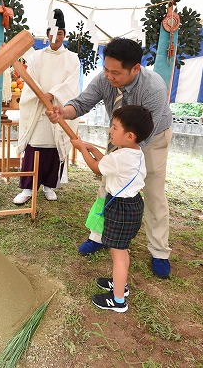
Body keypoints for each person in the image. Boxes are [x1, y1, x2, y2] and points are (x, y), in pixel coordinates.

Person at [46, 37, 174, 279]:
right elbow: (82, 103)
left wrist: (116, 161)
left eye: (115, 72)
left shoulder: (154, 88)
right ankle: (101, 236)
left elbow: (142, 139)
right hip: (120, 137)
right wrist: (64, 111)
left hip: (152, 137)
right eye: (106, 69)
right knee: (107, 187)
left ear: (136, 68)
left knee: (153, 192)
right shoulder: (105, 78)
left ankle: (159, 252)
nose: (109, 76)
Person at [71, 105, 152, 312]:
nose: (110, 131)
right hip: (132, 205)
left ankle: (118, 301)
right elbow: (106, 161)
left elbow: (98, 168)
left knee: (118, 254)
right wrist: (92, 148)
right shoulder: (135, 152)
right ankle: (120, 284)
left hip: (120, 208)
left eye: (115, 128)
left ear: (130, 135)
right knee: (122, 250)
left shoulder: (120, 158)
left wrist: (81, 149)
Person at [13, 8, 80, 205]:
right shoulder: (36, 57)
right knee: (34, 146)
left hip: (58, 108)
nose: (56, 37)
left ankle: (49, 185)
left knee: (53, 148)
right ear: (47, 33)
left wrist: (53, 95)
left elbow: (72, 84)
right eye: (52, 32)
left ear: (64, 35)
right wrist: (42, 96)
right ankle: (27, 187)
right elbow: (30, 80)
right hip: (37, 108)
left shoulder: (72, 58)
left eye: (60, 33)